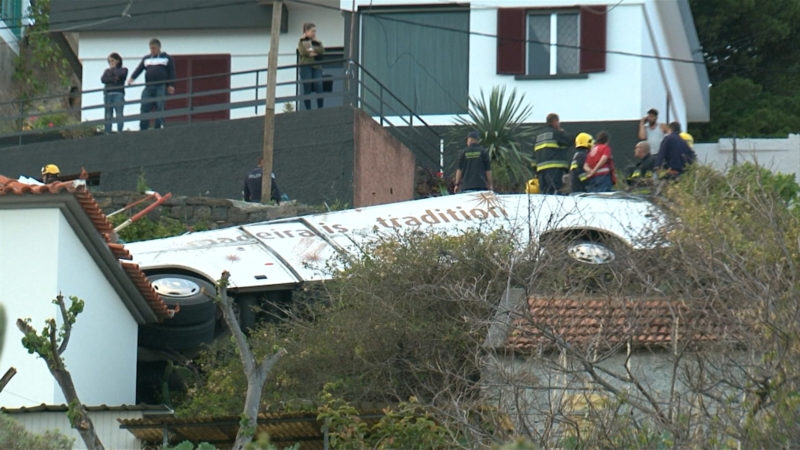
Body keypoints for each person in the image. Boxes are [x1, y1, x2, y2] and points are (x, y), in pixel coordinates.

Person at [128, 38, 176, 130]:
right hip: (149, 86)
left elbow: (172, 72)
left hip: (161, 86)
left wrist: (171, 85)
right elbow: (139, 69)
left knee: (160, 105)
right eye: (150, 48)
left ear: (159, 47)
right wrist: (132, 78)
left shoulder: (167, 58)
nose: (152, 50)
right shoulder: (146, 58)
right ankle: (143, 127)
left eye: (154, 48)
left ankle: (158, 126)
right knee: (144, 106)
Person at [534, 113, 571, 194]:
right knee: (555, 193)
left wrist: (535, 171)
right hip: (554, 169)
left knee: (544, 194)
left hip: (541, 171)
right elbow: (569, 141)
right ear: (555, 122)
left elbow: (534, 155)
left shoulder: (539, 136)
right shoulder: (556, 133)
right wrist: (562, 132)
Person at [297, 23, 325, 110]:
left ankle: (320, 108)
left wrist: (312, 50)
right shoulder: (302, 41)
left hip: (317, 67)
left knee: (319, 85)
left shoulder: (317, 41)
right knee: (307, 86)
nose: (314, 33)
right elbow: (303, 52)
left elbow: (322, 50)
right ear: (306, 31)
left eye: (315, 31)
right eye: (312, 31)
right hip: (306, 66)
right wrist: (312, 52)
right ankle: (308, 109)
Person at [101, 52, 128, 134]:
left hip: (118, 94)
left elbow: (121, 75)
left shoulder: (124, 69)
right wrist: (114, 78)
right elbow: (103, 79)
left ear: (118, 60)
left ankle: (119, 131)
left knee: (119, 114)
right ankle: (107, 132)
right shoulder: (106, 71)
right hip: (108, 94)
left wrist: (112, 73)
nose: (111, 63)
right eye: (109, 61)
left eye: (112, 60)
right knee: (108, 114)